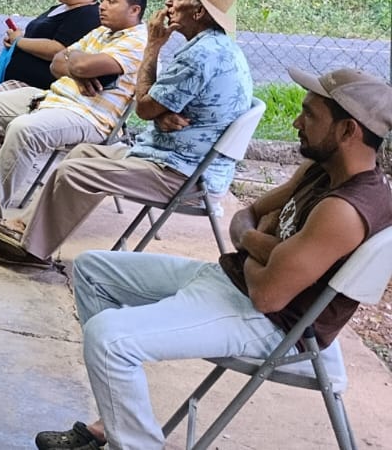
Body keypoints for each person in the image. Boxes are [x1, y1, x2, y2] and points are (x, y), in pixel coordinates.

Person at [34, 67, 392, 450]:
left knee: (109, 339)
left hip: (272, 325)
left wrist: (253, 242)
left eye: (310, 114)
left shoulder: (346, 210)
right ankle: (115, 418)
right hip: (233, 281)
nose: (296, 122)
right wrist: (267, 246)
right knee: (92, 269)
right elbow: (246, 217)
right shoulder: (319, 171)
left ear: (348, 130)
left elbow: (267, 295)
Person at [0, 0, 254, 270]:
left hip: (181, 173)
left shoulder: (198, 56)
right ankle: (23, 228)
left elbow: (144, 107)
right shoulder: (215, 47)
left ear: (198, 12)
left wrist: (153, 47)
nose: (169, 3)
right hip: (173, 156)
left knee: (75, 172)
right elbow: (155, 105)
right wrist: (159, 113)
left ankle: (33, 252)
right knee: (83, 154)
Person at [0, 0, 148, 237]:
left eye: (112, 1)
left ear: (134, 10)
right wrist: (78, 68)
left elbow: (76, 62)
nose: (102, 6)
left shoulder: (137, 40)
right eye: (102, 0)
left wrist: (76, 62)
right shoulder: (101, 32)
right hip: (53, 99)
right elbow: (56, 63)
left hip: (89, 116)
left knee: (24, 129)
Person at [0, 0, 110, 92]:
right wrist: (16, 39)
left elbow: (58, 49)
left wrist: (19, 41)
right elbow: (38, 36)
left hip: (37, 87)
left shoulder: (88, 14)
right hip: (15, 78)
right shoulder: (60, 8)